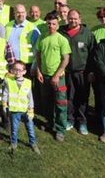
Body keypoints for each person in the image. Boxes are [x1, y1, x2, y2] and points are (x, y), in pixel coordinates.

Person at [59, 9, 96, 135]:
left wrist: (91, 72)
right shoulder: (62, 32)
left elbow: (93, 55)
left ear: (80, 19)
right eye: (70, 18)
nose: (73, 21)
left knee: (82, 97)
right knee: (69, 96)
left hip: (82, 72)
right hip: (66, 72)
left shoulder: (87, 34)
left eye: (75, 18)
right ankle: (70, 119)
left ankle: (82, 121)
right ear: (67, 18)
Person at [36, 12, 71, 142]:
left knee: (60, 103)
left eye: (54, 24)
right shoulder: (42, 37)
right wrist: (39, 71)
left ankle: (60, 129)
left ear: (58, 25)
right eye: (49, 23)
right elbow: (39, 55)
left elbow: (66, 59)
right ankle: (50, 123)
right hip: (44, 76)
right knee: (47, 101)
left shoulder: (62, 39)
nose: (51, 26)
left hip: (58, 77)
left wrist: (57, 75)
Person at [4, 60, 40, 154]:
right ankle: (14, 143)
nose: (17, 72)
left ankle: (33, 143)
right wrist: (4, 104)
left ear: (24, 72)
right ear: (12, 70)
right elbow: (5, 93)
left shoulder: (28, 82)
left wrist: (31, 110)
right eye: (15, 70)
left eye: (20, 70)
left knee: (30, 129)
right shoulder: (9, 81)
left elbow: (30, 97)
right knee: (14, 129)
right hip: (14, 111)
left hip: (26, 111)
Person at [5, 4, 39, 71]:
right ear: (14, 14)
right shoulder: (8, 26)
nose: (20, 15)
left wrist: (35, 66)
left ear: (26, 13)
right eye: (18, 12)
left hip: (27, 65)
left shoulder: (32, 28)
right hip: (11, 64)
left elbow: (38, 49)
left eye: (22, 12)